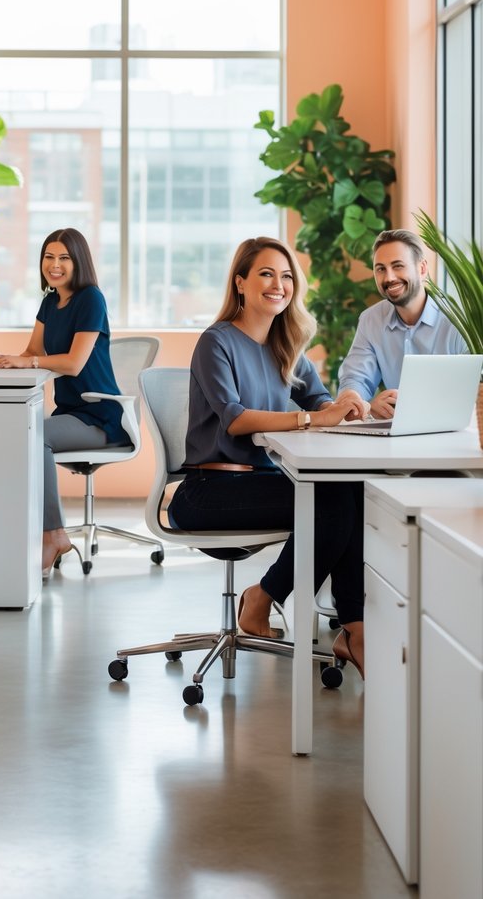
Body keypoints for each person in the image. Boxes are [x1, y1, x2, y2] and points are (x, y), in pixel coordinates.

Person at [167, 235, 370, 678]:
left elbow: (320, 400)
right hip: (208, 489)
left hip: (260, 483)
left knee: (352, 488)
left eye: (285, 277)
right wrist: (310, 421)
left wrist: (354, 401)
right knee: (332, 503)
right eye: (265, 274)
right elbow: (235, 419)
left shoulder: (286, 344)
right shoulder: (215, 342)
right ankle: (262, 597)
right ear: (240, 283)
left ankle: (353, 626)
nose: (278, 285)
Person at [0, 228, 124, 579]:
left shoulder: (91, 299)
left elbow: (73, 363)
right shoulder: (50, 301)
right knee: (19, 430)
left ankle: (55, 535)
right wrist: (3, 358)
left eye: (63, 258)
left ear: (78, 262)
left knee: (34, 436)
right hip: (72, 412)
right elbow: (33, 353)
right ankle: (29, 532)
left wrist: (26, 362)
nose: (54, 265)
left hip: (99, 417)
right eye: (48, 257)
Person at [338, 228, 468, 418]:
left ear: (422, 269)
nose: (389, 277)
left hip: (455, 432)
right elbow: (356, 378)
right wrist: (358, 402)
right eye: (381, 269)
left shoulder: (459, 320)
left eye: (398, 266)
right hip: (397, 435)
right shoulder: (371, 320)